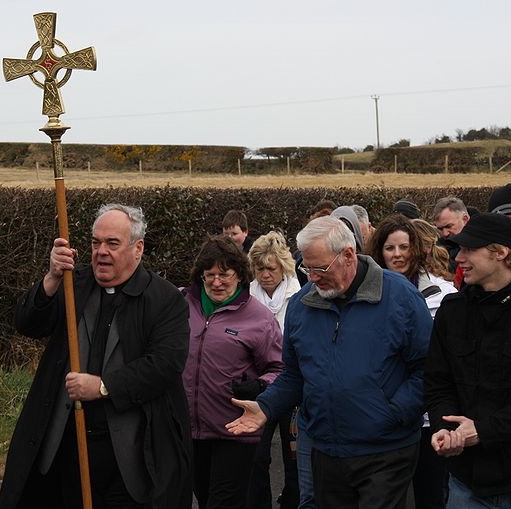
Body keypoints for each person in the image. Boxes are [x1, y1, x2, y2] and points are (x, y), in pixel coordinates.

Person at [227, 216, 433, 509]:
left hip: (386, 450)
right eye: (306, 268)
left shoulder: (400, 296)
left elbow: (427, 368)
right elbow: (294, 374)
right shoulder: (302, 305)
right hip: (327, 450)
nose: (312, 277)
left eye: (320, 268)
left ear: (348, 255)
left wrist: (395, 413)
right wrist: (266, 406)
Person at [0, 204, 193, 509]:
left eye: (112, 243)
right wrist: (50, 278)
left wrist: (104, 386)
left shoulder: (165, 300)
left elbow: (165, 365)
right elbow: (28, 324)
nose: (101, 251)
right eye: (95, 242)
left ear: (137, 248)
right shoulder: (73, 283)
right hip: (65, 451)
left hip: (132, 460)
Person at [424, 212, 511, 507]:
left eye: (468, 249)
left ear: (501, 253)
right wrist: (446, 428)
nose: (459, 258)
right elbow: (438, 381)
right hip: (467, 480)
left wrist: (484, 431)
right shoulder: (453, 312)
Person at [182, 235, 283, 509]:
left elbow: (280, 368)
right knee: (204, 499)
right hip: (189, 430)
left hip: (235, 431)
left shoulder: (259, 318)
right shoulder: (182, 305)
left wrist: (260, 386)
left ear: (239, 275)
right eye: (209, 275)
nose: (216, 282)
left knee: (223, 503)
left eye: (224, 275)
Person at [367, 214, 456, 509]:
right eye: (390, 248)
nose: (397, 255)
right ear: (379, 251)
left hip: (431, 416)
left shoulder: (444, 294)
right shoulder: (367, 296)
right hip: (385, 414)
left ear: (416, 248)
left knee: (432, 493)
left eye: (404, 247)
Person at [245, 231, 303, 509]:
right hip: (261, 386)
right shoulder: (245, 298)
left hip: (293, 385)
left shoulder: (300, 296)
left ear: (283, 267)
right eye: (260, 268)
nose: (265, 274)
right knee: (257, 455)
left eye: (271, 268)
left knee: (294, 457)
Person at [431, 196, 471, 288]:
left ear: (465, 219)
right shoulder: (435, 251)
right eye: (440, 228)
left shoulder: (482, 246)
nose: (445, 233)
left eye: (449, 226)